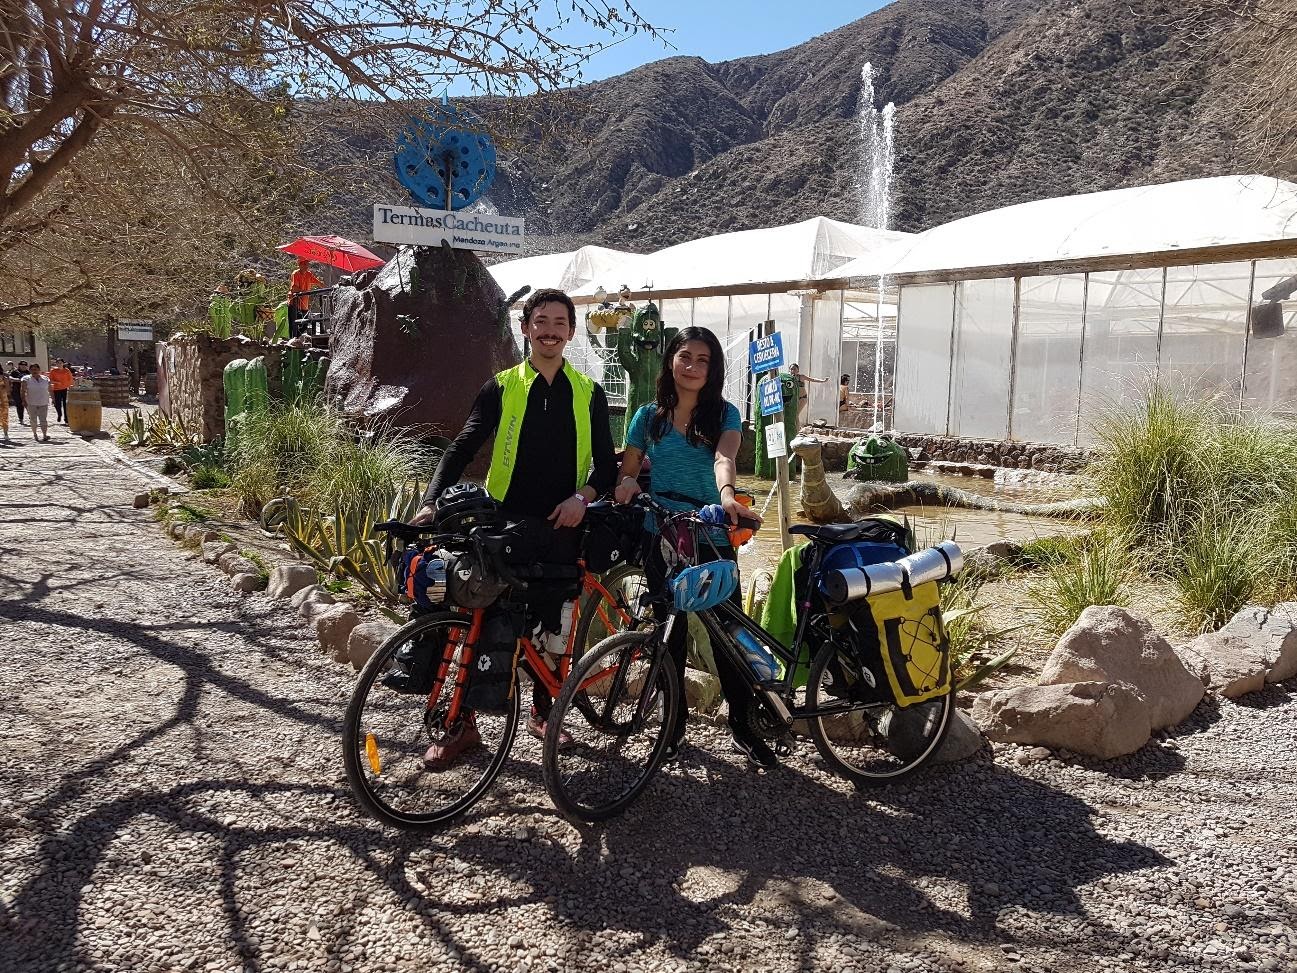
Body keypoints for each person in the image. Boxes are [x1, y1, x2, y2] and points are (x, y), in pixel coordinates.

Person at [405, 287, 617, 769]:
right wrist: (431, 503)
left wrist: (582, 499)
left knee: (553, 625)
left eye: (559, 323)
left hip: (562, 526)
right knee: (476, 620)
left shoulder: (589, 393)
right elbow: (462, 447)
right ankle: (460, 727)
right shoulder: (500, 386)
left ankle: (546, 714)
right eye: (540, 321)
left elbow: (605, 467)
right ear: (525, 329)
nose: (549, 330)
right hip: (502, 526)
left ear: (571, 332)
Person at [614, 326, 774, 768]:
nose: (692, 366)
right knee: (671, 634)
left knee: (729, 631)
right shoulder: (647, 417)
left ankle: (745, 723)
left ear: (714, 368)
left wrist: (726, 497)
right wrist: (626, 484)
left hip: (711, 532)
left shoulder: (725, 414)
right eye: (685, 356)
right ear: (670, 360)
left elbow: (725, 457)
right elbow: (627, 471)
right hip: (661, 532)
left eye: (703, 360)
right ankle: (673, 727)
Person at [288, 259, 322, 337]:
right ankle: (293, 341)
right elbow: (294, 289)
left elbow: (318, 283)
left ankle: (297, 339)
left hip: (304, 304)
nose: (306, 266)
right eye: (304, 264)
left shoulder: (308, 274)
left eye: (307, 264)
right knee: (293, 325)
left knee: (305, 324)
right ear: (299, 265)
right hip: (294, 303)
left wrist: (326, 287)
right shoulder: (296, 274)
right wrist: (305, 292)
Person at [21, 362, 51, 442]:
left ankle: (44, 435)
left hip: (43, 401)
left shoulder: (45, 379)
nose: (34, 371)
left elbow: (50, 389)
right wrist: (23, 400)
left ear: (39, 370)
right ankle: (35, 434)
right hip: (31, 402)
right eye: (32, 369)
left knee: (43, 419)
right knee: (33, 419)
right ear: (30, 370)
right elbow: (23, 390)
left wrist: (53, 399)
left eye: (36, 369)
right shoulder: (26, 379)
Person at [48, 359, 74, 424]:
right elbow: (50, 380)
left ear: (63, 364)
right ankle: (59, 414)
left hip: (64, 389)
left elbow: (70, 378)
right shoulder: (53, 371)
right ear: (56, 364)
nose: (59, 364)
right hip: (56, 389)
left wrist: (71, 385)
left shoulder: (66, 370)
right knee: (57, 404)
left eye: (61, 363)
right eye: (58, 363)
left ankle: (66, 419)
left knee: (65, 404)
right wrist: (56, 382)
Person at [8, 361, 26, 425]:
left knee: (29, 405)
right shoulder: (15, 372)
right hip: (16, 391)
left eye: (24, 365)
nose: (23, 366)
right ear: (19, 365)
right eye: (21, 365)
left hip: (26, 391)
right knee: (19, 405)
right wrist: (19, 380)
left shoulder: (28, 372)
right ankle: (21, 418)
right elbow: (10, 378)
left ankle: (31, 417)